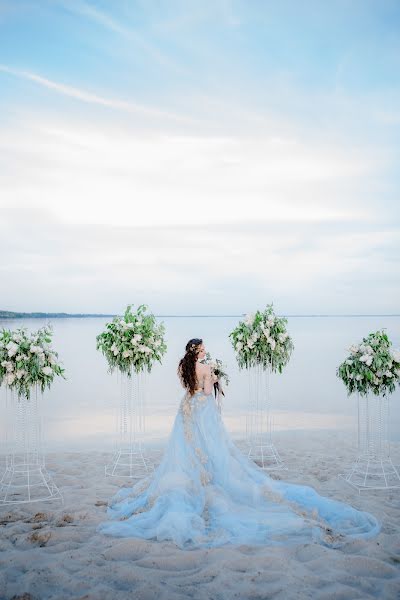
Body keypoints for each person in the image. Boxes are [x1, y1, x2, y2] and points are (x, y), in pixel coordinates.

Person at [98, 338, 380, 549]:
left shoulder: (181, 366)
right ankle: (212, 478)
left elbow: (189, 388)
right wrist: (215, 377)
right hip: (203, 410)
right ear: (198, 351)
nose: (206, 351)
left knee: (186, 447)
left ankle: (194, 476)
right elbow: (208, 393)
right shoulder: (206, 367)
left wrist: (204, 382)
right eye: (203, 348)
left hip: (186, 409)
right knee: (213, 446)